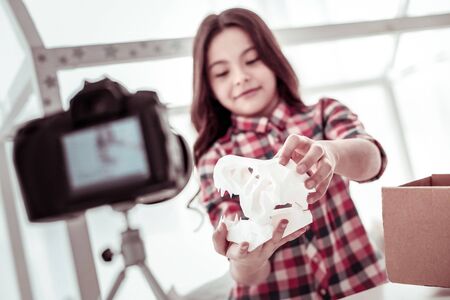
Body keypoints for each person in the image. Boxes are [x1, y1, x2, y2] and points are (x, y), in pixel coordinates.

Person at [191, 7, 387, 299]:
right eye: (222, 72)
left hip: (359, 286)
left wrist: (332, 154)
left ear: (273, 59)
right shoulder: (217, 160)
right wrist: (248, 259)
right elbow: (244, 265)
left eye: (252, 60)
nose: (241, 77)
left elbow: (373, 161)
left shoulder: (323, 114)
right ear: (209, 87)